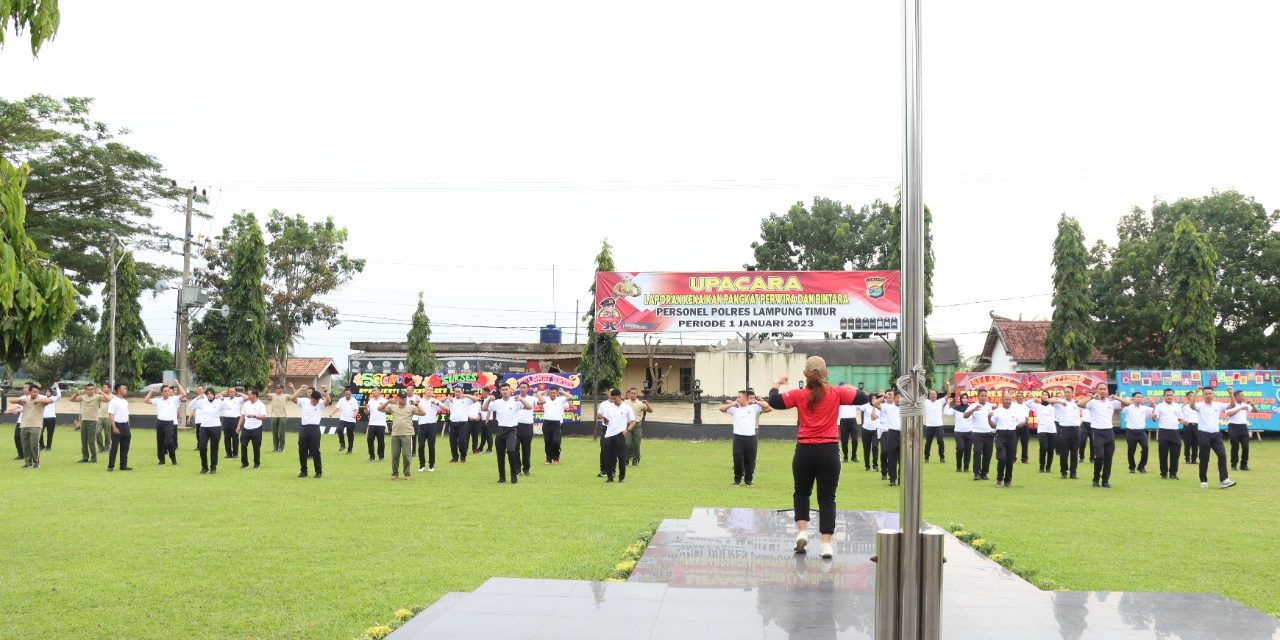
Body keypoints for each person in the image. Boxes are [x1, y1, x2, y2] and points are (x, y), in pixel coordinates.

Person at [766, 357, 870, 560]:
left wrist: (777, 383)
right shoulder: (837, 393)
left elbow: (773, 401)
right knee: (827, 499)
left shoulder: (798, 395)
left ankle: (802, 532)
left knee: (801, 493)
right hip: (828, 452)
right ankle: (826, 544)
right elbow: (864, 397)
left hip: (804, 451)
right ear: (826, 374)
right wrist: (848, 388)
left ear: (805, 375)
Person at [719, 390, 772, 486]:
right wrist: (733, 403)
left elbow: (767, 406)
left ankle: (748, 481)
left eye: (739, 397)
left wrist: (756, 401)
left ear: (745, 398)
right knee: (737, 459)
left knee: (750, 460)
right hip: (738, 438)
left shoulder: (753, 408)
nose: (737, 398)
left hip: (750, 438)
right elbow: (721, 408)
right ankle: (737, 480)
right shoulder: (734, 409)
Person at [1188, 386, 1236, 489]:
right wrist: (1196, 392)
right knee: (1204, 458)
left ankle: (1224, 480)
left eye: (1210, 393)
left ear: (1213, 394)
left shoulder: (1218, 405)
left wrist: (1231, 393)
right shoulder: (1200, 405)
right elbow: (1191, 405)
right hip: (1203, 434)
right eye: (1206, 394)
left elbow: (1232, 405)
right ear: (1203, 395)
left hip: (1216, 435)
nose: (1208, 395)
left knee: (1222, 455)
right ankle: (1203, 480)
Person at [483, 386, 529, 484]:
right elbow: (484, 408)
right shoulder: (497, 402)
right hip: (500, 430)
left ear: (510, 391)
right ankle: (502, 477)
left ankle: (514, 475)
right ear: (500, 391)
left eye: (506, 390)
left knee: (511, 451)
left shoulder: (515, 401)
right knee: (500, 455)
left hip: (512, 430)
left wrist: (521, 399)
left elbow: (529, 407)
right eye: (503, 390)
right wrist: (488, 400)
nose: (505, 392)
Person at [1080, 383, 1122, 488]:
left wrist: (1116, 397)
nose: (1102, 391)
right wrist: (1091, 397)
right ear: (1097, 390)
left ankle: (1105, 481)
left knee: (1108, 458)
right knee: (1099, 456)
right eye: (1100, 389)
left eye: (1104, 389)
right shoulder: (1093, 402)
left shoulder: (1111, 402)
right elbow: (1079, 404)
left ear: (1107, 390)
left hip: (1109, 432)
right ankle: (1095, 479)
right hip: (1097, 432)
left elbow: (1128, 403)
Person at [596, 388, 636, 483]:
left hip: (620, 435)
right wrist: (604, 419)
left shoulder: (626, 408)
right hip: (609, 435)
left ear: (620, 397)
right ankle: (610, 477)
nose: (613, 401)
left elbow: (633, 421)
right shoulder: (609, 407)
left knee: (621, 457)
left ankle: (621, 477)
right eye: (612, 398)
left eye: (615, 399)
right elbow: (605, 420)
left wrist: (627, 430)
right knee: (608, 456)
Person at [383, 393, 426, 480]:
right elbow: (380, 409)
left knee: (406, 455)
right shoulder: (393, 407)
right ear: (398, 398)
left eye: (405, 397)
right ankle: (395, 473)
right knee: (395, 455)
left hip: (407, 434)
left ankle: (407, 474)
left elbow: (423, 413)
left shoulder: (411, 407)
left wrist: (417, 404)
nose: (403, 399)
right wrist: (388, 401)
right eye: (402, 398)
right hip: (395, 434)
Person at [292, 385, 330, 478]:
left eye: (317, 401)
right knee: (302, 450)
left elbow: (328, 401)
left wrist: (325, 390)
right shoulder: (304, 401)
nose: (316, 403)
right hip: (304, 428)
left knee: (315, 451)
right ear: (311, 397)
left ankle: (318, 472)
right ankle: (303, 471)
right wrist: (300, 389)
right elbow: (292, 398)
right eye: (314, 401)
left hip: (315, 429)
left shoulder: (320, 403)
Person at [144, 382, 186, 466]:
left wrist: (177, 384)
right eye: (166, 391)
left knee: (169, 441)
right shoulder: (158, 400)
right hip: (160, 423)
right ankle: (161, 460)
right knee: (160, 442)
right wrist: (151, 391)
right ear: (162, 392)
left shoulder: (174, 399)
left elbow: (184, 394)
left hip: (169, 423)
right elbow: (146, 400)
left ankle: (173, 457)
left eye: (168, 391)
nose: (168, 392)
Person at [14, 386, 54, 468]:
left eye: (37, 392)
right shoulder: (25, 399)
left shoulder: (41, 399)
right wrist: (20, 400)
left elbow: (51, 400)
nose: (36, 393)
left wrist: (38, 400)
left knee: (34, 445)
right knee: (25, 445)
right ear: (30, 391)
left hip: (36, 425)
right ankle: (28, 463)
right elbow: (11, 400)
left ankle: (36, 463)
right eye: (34, 392)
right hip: (24, 425)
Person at [988, 393, 1023, 488]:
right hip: (1000, 435)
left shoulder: (1015, 411)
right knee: (1002, 458)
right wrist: (989, 417)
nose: (1008, 401)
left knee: (1010, 459)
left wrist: (1023, 422)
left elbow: (1021, 422)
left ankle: (1008, 480)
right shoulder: (998, 411)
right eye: (1006, 399)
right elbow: (993, 425)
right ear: (1002, 400)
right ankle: (999, 479)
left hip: (1012, 435)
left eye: (1009, 399)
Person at [189, 388, 226, 474]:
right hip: (204, 427)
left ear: (214, 394)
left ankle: (213, 467)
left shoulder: (218, 402)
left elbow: (228, 407)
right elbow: (191, 405)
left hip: (215, 427)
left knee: (214, 448)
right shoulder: (202, 402)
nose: (209, 395)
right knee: (202, 447)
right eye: (208, 394)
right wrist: (197, 398)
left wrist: (222, 398)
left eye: (211, 394)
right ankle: (204, 467)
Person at [1151, 388, 1183, 480]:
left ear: (1173, 396)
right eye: (1167, 395)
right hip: (1164, 432)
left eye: (1171, 395)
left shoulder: (1177, 406)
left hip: (1175, 432)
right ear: (1164, 396)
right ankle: (1164, 474)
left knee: (1175, 454)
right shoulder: (1159, 406)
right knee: (1163, 454)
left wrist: (1184, 421)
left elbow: (1180, 419)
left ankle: (1173, 474)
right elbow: (1155, 419)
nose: (1169, 397)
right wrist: (1153, 417)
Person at [964, 389, 994, 482]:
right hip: (977, 433)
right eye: (982, 395)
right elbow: (965, 415)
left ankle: (984, 473)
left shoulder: (991, 406)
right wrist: (973, 410)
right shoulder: (973, 406)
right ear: (978, 396)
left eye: (985, 395)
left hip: (989, 433)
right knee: (977, 452)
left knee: (988, 454)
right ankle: (977, 473)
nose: (984, 397)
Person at [537, 387, 572, 465]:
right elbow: (537, 394)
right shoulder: (545, 399)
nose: (552, 394)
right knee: (547, 441)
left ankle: (556, 458)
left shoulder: (560, 399)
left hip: (556, 423)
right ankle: (548, 459)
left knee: (556, 441)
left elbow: (570, 397)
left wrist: (562, 391)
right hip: (546, 423)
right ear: (549, 393)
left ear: (556, 393)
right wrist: (545, 391)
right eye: (551, 392)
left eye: (554, 393)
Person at [70, 384, 104, 464]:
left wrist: (101, 392)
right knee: (84, 441)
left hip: (93, 421)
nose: (90, 390)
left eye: (92, 389)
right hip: (84, 421)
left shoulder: (98, 396)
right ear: (86, 390)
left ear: (94, 390)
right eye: (88, 389)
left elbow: (108, 399)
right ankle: (85, 457)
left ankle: (94, 458)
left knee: (91, 441)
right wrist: (76, 393)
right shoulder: (83, 397)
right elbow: (71, 399)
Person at [1023, 392, 1057, 473]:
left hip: (1052, 429)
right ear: (1041, 397)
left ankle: (1048, 467)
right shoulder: (1037, 406)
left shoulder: (1053, 406)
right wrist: (1033, 398)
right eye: (1043, 395)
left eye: (1046, 395)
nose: (1044, 396)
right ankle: (1042, 466)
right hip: (1042, 429)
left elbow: (1057, 400)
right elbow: (1026, 404)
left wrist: (1044, 400)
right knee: (1043, 448)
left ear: (1049, 397)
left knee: (1051, 449)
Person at [1050, 393, 1082, 480]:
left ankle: (1073, 473)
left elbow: (1084, 403)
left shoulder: (1077, 403)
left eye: (1069, 391)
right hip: (1064, 429)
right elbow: (1048, 401)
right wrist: (1060, 401)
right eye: (1066, 392)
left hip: (1075, 429)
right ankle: (1063, 472)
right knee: (1064, 453)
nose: (1068, 393)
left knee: (1074, 453)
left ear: (1072, 392)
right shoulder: (1060, 403)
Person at [411, 391, 444, 472]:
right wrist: (415, 403)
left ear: (432, 392)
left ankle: (431, 465)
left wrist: (437, 403)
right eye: (427, 389)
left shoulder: (434, 401)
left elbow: (446, 408)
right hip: (422, 425)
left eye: (430, 390)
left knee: (431, 446)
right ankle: (422, 465)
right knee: (421, 446)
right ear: (425, 391)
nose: (429, 391)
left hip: (432, 425)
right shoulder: (419, 400)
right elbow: (412, 407)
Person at [1121, 392, 1152, 475]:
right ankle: (1132, 467)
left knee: (1145, 448)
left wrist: (1152, 402)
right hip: (1131, 432)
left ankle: (1141, 466)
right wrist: (1130, 401)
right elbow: (1122, 406)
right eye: (1137, 397)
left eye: (1141, 397)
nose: (1139, 398)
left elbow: (1155, 410)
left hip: (1141, 432)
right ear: (1133, 398)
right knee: (1131, 450)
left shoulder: (1144, 408)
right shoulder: (1129, 407)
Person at [236, 389, 267, 469]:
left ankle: (257, 464)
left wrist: (254, 416)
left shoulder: (261, 405)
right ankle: (245, 463)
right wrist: (239, 426)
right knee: (243, 445)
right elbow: (242, 416)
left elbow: (263, 417)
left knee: (256, 446)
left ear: (254, 395)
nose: (248, 396)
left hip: (256, 428)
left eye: (249, 394)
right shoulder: (246, 404)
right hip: (246, 428)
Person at [106, 383, 133, 471]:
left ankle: (123, 465)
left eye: (126, 388)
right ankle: (111, 466)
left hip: (125, 426)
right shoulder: (113, 401)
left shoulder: (125, 401)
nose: (126, 390)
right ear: (118, 390)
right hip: (117, 425)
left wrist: (128, 427)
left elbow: (127, 415)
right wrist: (114, 427)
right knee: (114, 447)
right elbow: (111, 415)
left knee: (125, 447)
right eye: (124, 388)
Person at [624, 387, 652, 468]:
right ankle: (625, 461)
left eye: (634, 393)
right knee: (627, 444)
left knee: (637, 444)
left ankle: (635, 462)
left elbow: (650, 410)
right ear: (629, 394)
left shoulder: (640, 403)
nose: (633, 395)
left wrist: (647, 404)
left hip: (637, 425)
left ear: (637, 394)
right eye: (631, 393)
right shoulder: (625, 403)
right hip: (628, 425)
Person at [879, 390, 903, 486]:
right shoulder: (888, 407)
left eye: (902, 397)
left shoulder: (906, 408)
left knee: (902, 458)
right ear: (894, 398)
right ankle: (892, 479)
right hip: (892, 433)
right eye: (898, 397)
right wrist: (883, 397)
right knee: (892, 457)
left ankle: (902, 479)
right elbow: (875, 404)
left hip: (903, 433)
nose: (900, 399)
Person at [1225, 389, 1252, 471]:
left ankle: (1244, 465)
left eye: (1243, 395)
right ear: (1236, 396)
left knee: (1246, 446)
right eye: (1242, 395)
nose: (1243, 397)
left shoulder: (1245, 405)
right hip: (1233, 427)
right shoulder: (1231, 405)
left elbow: (1255, 411)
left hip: (1243, 427)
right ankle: (1234, 465)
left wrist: (1253, 405)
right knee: (1235, 447)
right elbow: (1229, 414)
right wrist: (1239, 408)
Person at [444, 387, 473, 464]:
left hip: (463, 423)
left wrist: (466, 395)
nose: (457, 393)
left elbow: (476, 399)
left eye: (459, 391)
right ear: (454, 392)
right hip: (453, 422)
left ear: (462, 392)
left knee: (462, 440)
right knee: (452, 441)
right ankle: (454, 458)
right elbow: (439, 401)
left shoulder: (466, 400)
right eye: (456, 391)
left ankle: (463, 457)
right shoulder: (451, 400)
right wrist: (447, 397)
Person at [946, 395, 971, 474]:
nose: (964, 400)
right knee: (960, 448)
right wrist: (948, 403)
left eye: (966, 398)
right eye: (963, 398)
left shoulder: (971, 408)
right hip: (959, 432)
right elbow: (946, 412)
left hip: (970, 431)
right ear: (960, 399)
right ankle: (958, 466)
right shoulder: (956, 408)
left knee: (968, 450)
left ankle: (966, 467)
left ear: (968, 399)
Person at [923, 386, 948, 464]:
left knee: (940, 441)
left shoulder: (940, 402)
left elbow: (949, 395)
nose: (933, 396)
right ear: (929, 396)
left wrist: (948, 385)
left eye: (934, 394)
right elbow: (918, 395)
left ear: (936, 395)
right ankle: (926, 457)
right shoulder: (925, 402)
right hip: (929, 426)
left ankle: (942, 457)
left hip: (939, 425)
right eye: (931, 394)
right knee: (928, 443)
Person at [219, 387, 245, 458]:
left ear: (235, 393)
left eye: (233, 392)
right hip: (226, 419)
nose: (232, 393)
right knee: (226, 437)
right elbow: (215, 397)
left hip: (235, 420)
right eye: (230, 392)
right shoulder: (224, 399)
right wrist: (221, 393)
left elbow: (247, 397)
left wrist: (239, 393)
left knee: (235, 437)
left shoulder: (238, 399)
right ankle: (228, 453)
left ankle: (235, 453)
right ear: (228, 393)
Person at [364, 388, 389, 462]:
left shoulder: (384, 400)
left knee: (381, 441)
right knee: (369, 440)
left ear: (379, 391)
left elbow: (388, 409)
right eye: (373, 391)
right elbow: (367, 413)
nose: (373, 392)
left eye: (375, 390)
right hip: (372, 423)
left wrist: (383, 406)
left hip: (381, 424)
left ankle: (381, 457)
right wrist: (366, 409)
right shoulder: (370, 401)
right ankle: (372, 456)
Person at [332, 388, 359, 455]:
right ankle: (342, 444)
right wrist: (332, 413)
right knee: (339, 430)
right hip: (343, 419)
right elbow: (337, 407)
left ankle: (350, 450)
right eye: (346, 394)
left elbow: (356, 410)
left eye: (348, 394)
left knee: (350, 435)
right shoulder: (341, 400)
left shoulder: (354, 400)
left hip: (351, 421)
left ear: (351, 394)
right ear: (344, 394)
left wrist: (355, 415)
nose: (347, 395)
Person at [264, 385, 291, 453]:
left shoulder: (286, 396)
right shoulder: (273, 395)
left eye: (278, 388)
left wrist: (292, 387)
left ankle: (281, 448)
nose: (277, 389)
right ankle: (275, 448)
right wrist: (268, 386)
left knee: (281, 433)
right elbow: (265, 394)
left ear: (282, 389)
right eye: (276, 388)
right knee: (274, 433)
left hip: (282, 416)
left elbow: (294, 396)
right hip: (274, 416)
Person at [837, 383, 859, 464]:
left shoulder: (854, 399)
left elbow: (859, 392)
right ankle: (845, 456)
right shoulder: (839, 399)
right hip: (844, 421)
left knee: (855, 439)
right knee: (844, 440)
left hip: (853, 421)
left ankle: (854, 456)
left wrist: (850, 387)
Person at [860, 397, 880, 473]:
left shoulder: (880, 406)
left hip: (876, 430)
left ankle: (875, 465)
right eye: (872, 398)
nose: (874, 400)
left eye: (875, 398)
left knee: (875, 447)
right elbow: (858, 406)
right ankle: (867, 466)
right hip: (866, 429)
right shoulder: (866, 406)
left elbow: (875, 417)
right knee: (866, 448)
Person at [40, 381, 60, 450]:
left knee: (50, 433)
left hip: (51, 418)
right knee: (40, 432)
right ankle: (41, 446)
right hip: (43, 418)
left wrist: (56, 387)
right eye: (46, 392)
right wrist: (52, 386)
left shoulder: (53, 398)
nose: (47, 393)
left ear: (51, 392)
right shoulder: (43, 398)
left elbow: (59, 395)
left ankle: (48, 447)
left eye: (49, 392)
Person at [1181, 391, 1199, 465]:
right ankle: (1187, 459)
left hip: (1196, 425)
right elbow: (1176, 411)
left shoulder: (1197, 405)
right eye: (1191, 396)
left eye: (1194, 395)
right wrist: (1182, 405)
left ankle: (1194, 459)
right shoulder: (1183, 406)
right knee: (1187, 443)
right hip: (1187, 425)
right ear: (1187, 397)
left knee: (1196, 443)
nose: (1193, 397)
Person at [96, 383, 113, 454]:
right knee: (98, 432)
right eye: (103, 387)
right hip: (100, 417)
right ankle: (100, 448)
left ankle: (107, 448)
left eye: (105, 387)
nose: (103, 388)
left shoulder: (113, 396)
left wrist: (101, 392)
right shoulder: (100, 396)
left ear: (109, 388)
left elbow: (109, 399)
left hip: (108, 417)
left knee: (107, 434)